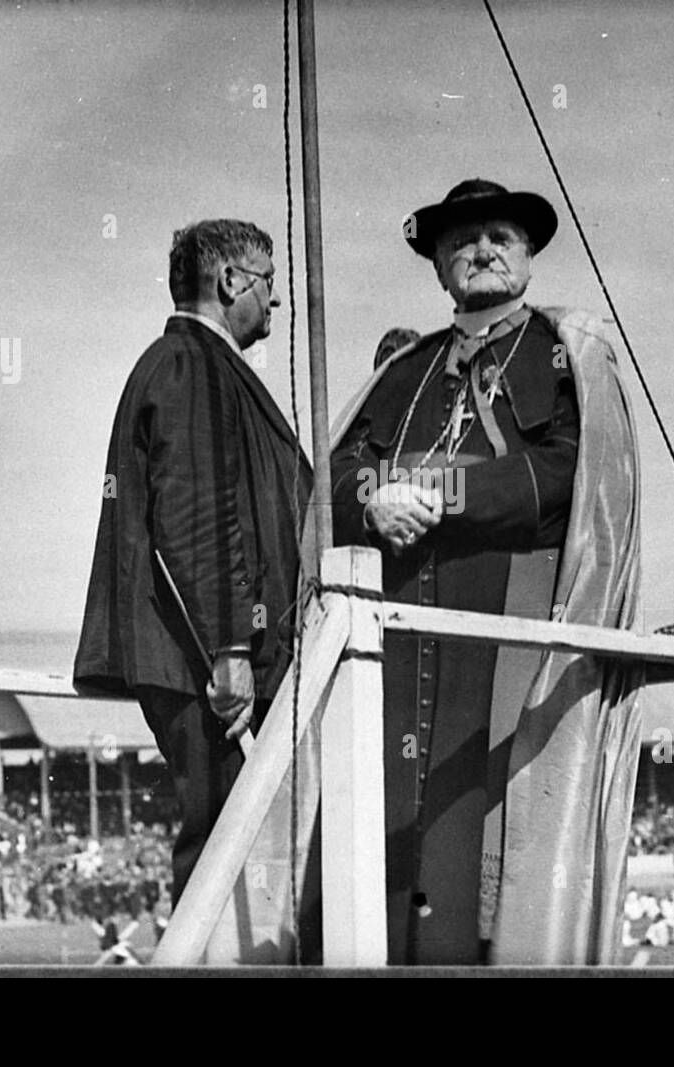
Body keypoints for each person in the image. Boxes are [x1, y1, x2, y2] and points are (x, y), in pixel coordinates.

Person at [325, 178, 644, 964]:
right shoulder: (403, 368)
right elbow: (338, 474)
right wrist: (374, 506)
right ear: (437, 266)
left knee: (494, 847)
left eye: (500, 236)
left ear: (529, 255)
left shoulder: (566, 354)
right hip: (399, 640)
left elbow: (573, 471)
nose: (481, 250)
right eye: (461, 240)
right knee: (392, 862)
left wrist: (438, 491)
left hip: (515, 631)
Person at [74, 219, 313, 908]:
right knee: (221, 855)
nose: (276, 301)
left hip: (209, 655)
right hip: (209, 663)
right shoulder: (190, 365)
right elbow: (194, 518)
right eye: (269, 282)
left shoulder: (192, 365)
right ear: (231, 281)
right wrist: (230, 648)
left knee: (235, 852)